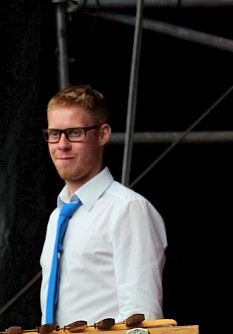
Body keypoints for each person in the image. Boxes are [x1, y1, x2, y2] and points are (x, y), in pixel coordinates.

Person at [39, 84, 168, 325]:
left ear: (103, 134)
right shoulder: (57, 215)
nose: (62, 144)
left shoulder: (127, 209)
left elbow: (141, 318)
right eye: (54, 133)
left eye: (74, 132)